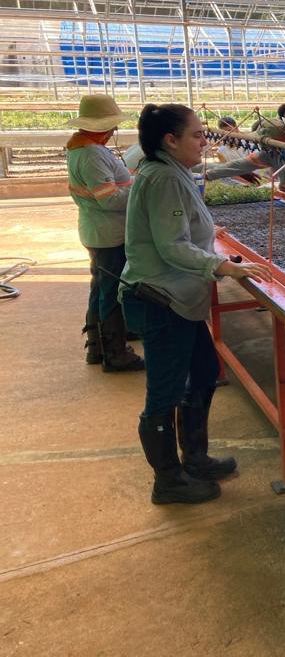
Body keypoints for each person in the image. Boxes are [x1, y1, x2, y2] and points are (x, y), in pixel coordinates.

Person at [121, 103, 271, 505]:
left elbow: (178, 227)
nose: (204, 141)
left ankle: (196, 457)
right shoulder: (163, 178)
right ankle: (168, 481)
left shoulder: (173, 171)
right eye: (197, 135)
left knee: (204, 370)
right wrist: (224, 266)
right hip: (161, 299)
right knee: (165, 391)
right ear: (171, 140)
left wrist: (207, 232)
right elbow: (171, 246)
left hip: (179, 299)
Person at [65, 94, 145, 372]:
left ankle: (98, 346)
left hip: (97, 230)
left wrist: (133, 181)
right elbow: (109, 199)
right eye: (111, 125)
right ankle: (115, 353)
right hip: (108, 234)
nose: (114, 130)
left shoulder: (80, 148)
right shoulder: (92, 155)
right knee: (112, 291)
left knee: (100, 286)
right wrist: (141, 191)